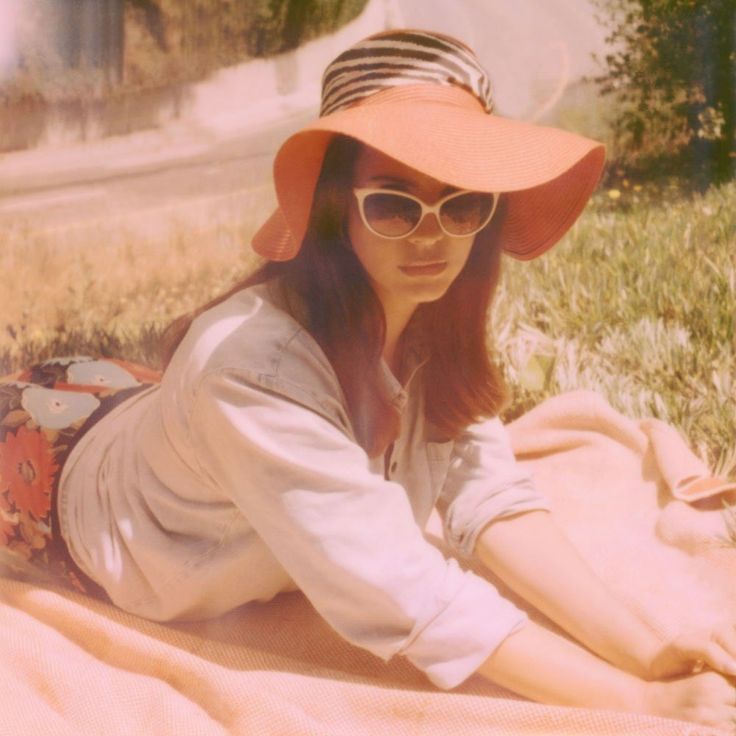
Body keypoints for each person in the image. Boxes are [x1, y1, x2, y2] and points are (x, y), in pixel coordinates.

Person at [1, 28, 735, 731]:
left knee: (164, 410)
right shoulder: (247, 368)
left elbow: (490, 501)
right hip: (51, 484)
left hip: (124, 403)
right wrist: (638, 707)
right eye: (393, 201)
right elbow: (403, 591)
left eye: (463, 202)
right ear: (333, 208)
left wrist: (646, 650)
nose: (431, 233)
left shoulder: (430, 320)